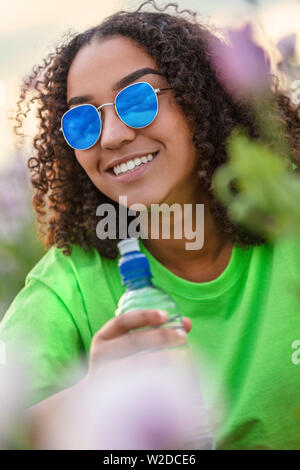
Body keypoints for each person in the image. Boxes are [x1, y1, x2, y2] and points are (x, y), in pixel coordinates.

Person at [1, 0, 300, 450]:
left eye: (137, 101)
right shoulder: (69, 286)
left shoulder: (288, 221)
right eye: (83, 121)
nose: (113, 136)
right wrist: (92, 394)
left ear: (201, 98)